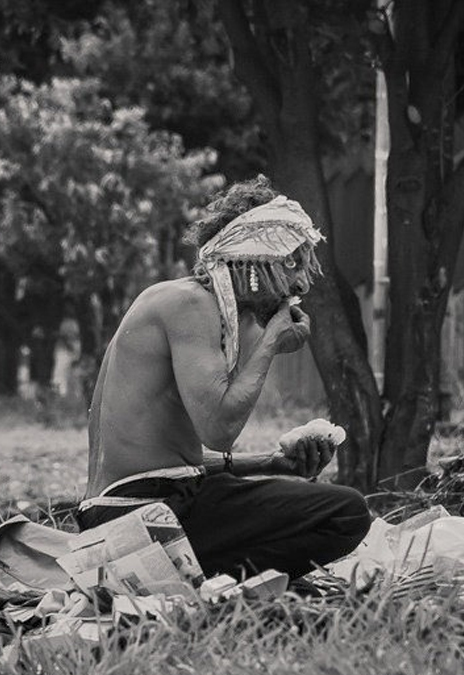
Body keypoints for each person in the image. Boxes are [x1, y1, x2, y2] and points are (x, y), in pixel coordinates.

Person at [75, 176, 372, 581]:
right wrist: (270, 343)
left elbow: (170, 459)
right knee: (347, 512)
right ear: (251, 261)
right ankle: (212, 584)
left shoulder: (188, 305)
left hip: (116, 515)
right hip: (143, 513)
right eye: (291, 263)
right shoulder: (190, 303)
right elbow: (219, 430)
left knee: (330, 510)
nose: (302, 282)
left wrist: (272, 463)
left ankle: (203, 585)